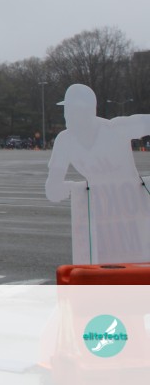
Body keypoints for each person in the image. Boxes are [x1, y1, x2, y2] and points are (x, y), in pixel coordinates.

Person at [45, 83, 150, 262]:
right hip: (102, 217)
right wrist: (69, 189)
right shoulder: (65, 140)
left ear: (88, 111)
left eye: (73, 111)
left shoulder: (115, 129)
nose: (67, 116)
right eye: (67, 110)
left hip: (135, 210)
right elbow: (52, 188)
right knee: (106, 266)